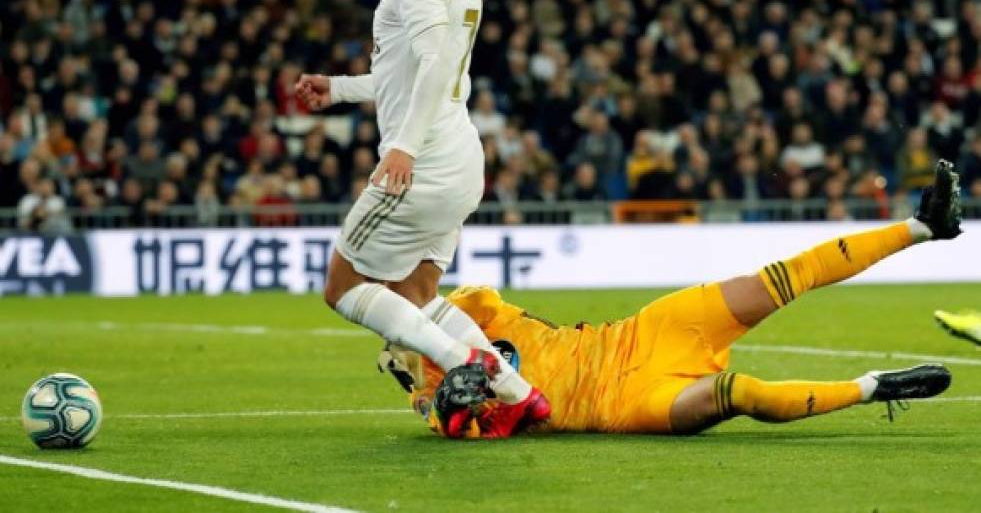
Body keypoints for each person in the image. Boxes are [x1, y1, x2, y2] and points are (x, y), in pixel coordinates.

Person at [382, 161, 962, 438]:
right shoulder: (434, 394)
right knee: (740, 395)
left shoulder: (470, 303)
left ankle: (922, 226)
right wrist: (436, 400)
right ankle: (872, 387)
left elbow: (464, 311)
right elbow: (463, 425)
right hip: (624, 402)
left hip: (641, 332)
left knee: (782, 278)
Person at [295, 0, 548, 438]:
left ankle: (470, 366)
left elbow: (433, 64)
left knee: (344, 285)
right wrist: (337, 89)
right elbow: (410, 74)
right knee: (415, 294)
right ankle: (519, 394)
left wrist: (403, 148)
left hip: (424, 162)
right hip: (462, 158)